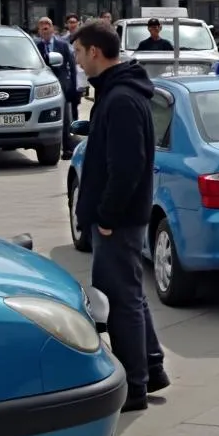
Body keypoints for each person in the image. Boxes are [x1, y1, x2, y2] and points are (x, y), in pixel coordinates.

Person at [71, 21, 169, 413]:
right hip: (121, 216)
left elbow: (128, 166)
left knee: (118, 300)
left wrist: (107, 215)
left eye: (79, 53)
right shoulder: (117, 93)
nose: (77, 61)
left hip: (120, 218)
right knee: (129, 295)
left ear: (95, 52)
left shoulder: (122, 99)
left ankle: (134, 385)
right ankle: (153, 367)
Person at [35, 16, 79, 159]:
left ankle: (67, 148)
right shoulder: (36, 47)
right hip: (43, 88)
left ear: (53, 28)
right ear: (39, 30)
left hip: (62, 86)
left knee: (66, 119)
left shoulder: (62, 45)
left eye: (48, 24)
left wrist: (73, 86)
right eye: (42, 25)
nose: (45, 27)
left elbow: (72, 66)